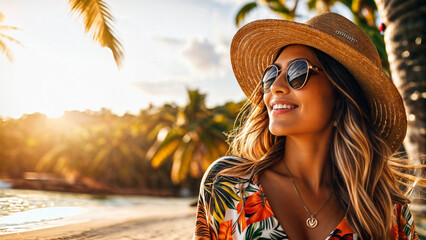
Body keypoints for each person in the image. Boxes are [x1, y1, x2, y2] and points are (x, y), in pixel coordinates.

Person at [194, 12, 422, 240]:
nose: (276, 86)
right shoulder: (227, 184)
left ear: (341, 96)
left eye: (298, 72)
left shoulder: (388, 214)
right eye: (271, 75)